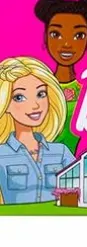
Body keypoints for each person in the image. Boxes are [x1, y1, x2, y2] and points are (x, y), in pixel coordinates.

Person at [34, 0, 87, 154]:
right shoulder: (35, 88)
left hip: (81, 163)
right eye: (56, 34)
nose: (67, 44)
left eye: (78, 35)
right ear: (45, 37)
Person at [0, 57, 74, 206]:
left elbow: (83, 184)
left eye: (41, 94)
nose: (35, 105)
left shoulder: (61, 152)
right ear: (5, 103)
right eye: (19, 97)